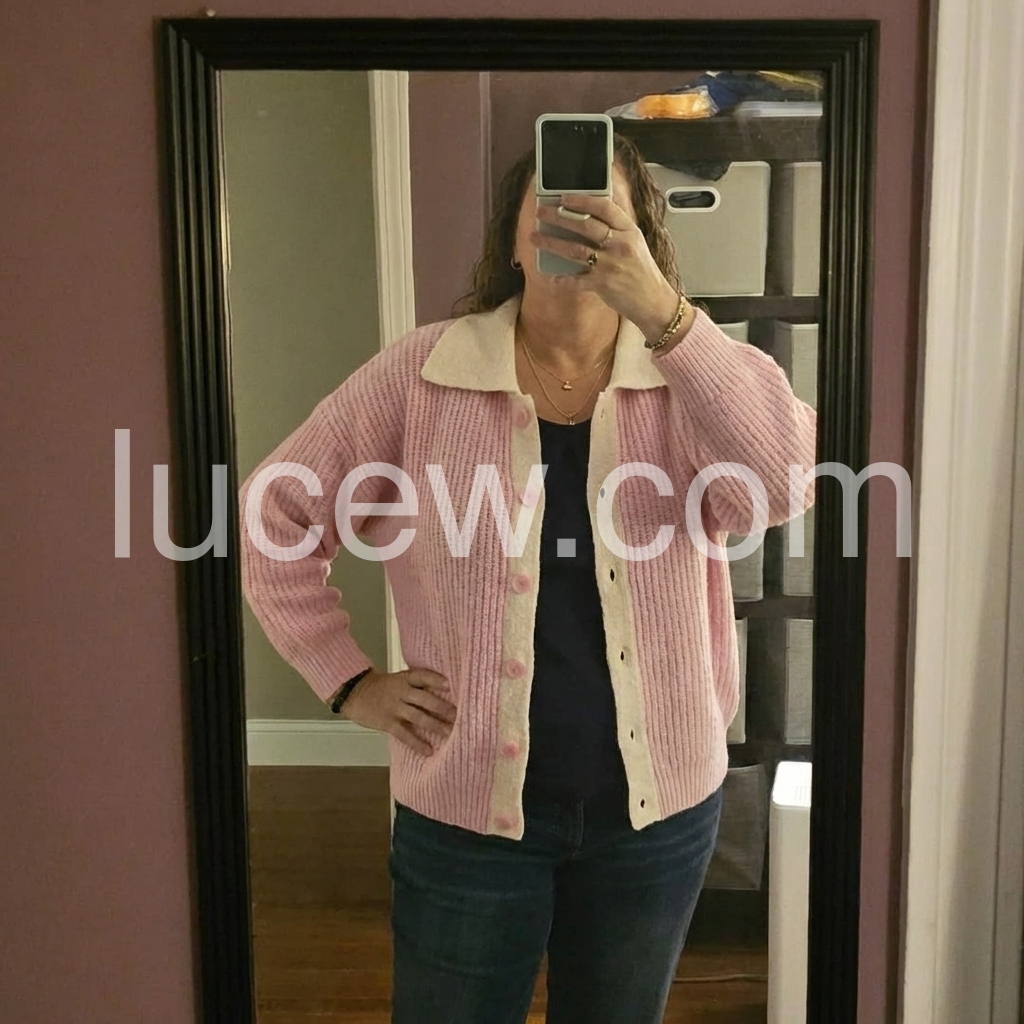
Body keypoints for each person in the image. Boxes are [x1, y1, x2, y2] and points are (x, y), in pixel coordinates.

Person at [239, 132, 817, 1024]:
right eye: (548, 202)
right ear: (511, 239)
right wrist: (347, 680)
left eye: (599, 204)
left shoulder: (692, 377)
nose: (572, 219)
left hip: (656, 814)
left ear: (643, 238)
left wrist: (666, 315)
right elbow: (273, 513)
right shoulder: (422, 376)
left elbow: (782, 485)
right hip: (466, 815)